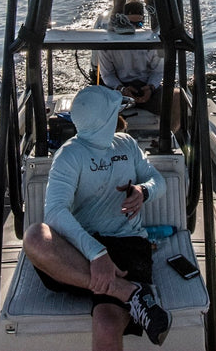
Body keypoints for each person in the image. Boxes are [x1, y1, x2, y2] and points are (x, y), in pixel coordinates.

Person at [22, 84, 172, 349]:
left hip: (128, 245)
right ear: (105, 120)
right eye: (114, 111)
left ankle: (123, 292)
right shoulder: (69, 155)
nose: (118, 116)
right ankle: (129, 293)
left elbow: (157, 181)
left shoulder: (126, 143)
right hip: (80, 247)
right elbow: (55, 212)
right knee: (34, 236)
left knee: (106, 324)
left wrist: (143, 191)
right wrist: (96, 254)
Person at [99, 1, 181, 133]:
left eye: (139, 25)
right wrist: (122, 89)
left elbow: (158, 71)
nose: (133, 29)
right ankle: (110, 140)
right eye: (129, 24)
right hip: (119, 89)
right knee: (96, 101)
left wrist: (150, 87)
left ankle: (168, 138)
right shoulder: (107, 44)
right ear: (121, 22)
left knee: (178, 97)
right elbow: (107, 74)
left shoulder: (153, 40)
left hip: (147, 87)